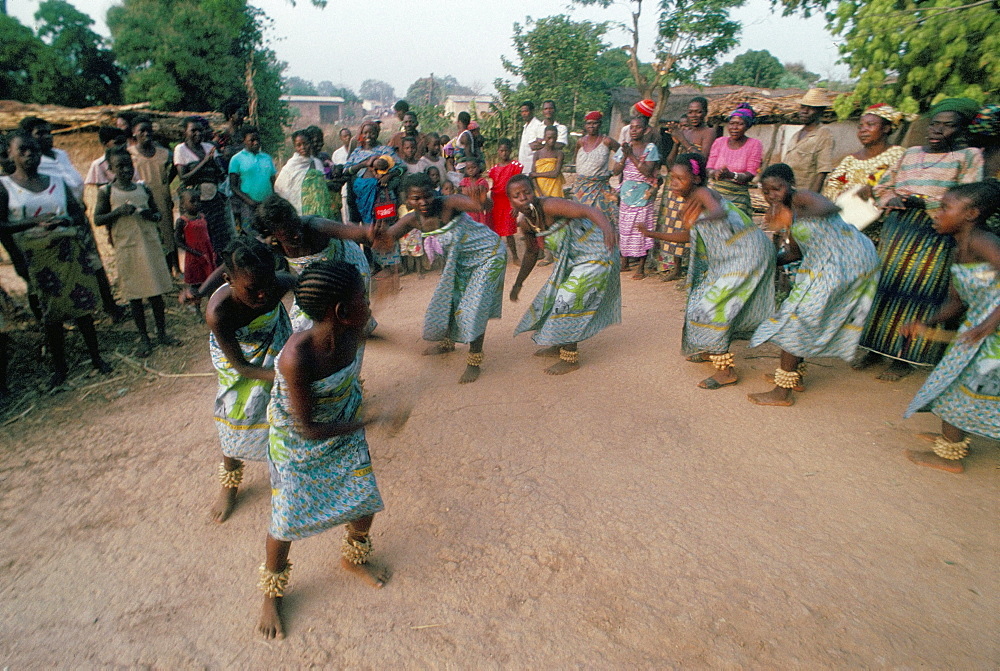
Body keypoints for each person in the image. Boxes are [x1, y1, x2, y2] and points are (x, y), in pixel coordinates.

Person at [256, 259, 392, 640]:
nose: (368, 305)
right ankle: (271, 594)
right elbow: (310, 428)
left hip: (343, 421)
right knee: (286, 518)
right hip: (300, 442)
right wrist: (372, 421)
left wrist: (397, 340)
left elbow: (370, 335)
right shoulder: (297, 358)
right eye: (362, 298)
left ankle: (354, 557)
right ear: (340, 311)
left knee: (363, 501)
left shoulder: (353, 329)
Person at [854, 98, 985, 381]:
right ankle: (874, 349)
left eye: (948, 127)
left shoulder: (969, 156)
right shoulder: (910, 153)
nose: (937, 131)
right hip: (899, 228)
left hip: (936, 233)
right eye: (935, 124)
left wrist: (923, 202)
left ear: (961, 130)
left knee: (920, 292)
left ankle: (902, 357)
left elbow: (968, 197)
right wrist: (894, 198)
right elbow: (884, 185)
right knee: (886, 287)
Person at [746, 163, 880, 406]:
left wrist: (788, 211)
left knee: (796, 317)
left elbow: (831, 207)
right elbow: (794, 253)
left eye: (777, 189)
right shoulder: (787, 210)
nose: (771, 195)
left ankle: (781, 392)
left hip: (846, 261)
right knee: (803, 314)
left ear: (789, 185)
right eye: (766, 192)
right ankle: (792, 376)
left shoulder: (802, 198)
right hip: (824, 263)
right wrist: (766, 264)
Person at [640, 154, 775, 390]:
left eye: (680, 179)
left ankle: (726, 371)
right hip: (733, 257)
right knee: (702, 302)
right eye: (672, 178)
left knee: (713, 305)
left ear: (696, 179)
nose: (673, 183)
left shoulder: (702, 193)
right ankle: (712, 347)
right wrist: (652, 235)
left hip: (746, 254)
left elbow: (718, 213)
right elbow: (688, 237)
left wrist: (697, 221)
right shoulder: (691, 200)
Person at [901, 181, 1000, 473]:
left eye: (945, 207)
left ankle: (949, 454)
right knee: (955, 381)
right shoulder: (958, 250)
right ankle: (952, 436)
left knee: (960, 386)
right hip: (981, 329)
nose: (936, 213)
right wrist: (924, 323)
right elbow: (955, 303)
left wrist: (987, 325)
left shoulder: (984, 241)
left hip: (992, 332)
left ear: (971, 214)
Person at [0, 131, 111, 387]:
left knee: (82, 307)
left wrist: (66, 223)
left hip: (67, 251)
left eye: (34, 151)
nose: (30, 155)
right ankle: (59, 369)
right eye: (23, 151)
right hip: (37, 258)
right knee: (52, 314)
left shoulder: (56, 182)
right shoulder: (5, 186)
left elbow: (77, 214)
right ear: (10, 154)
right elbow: (2, 226)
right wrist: (33, 223)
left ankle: (96, 358)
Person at [375, 173, 507, 383]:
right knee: (451, 299)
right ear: (406, 200)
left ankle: (474, 360)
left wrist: (482, 200)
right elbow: (386, 240)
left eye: (427, 196)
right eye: (415, 199)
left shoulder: (449, 203)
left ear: (435, 192)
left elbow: (480, 206)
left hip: (488, 255)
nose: (423, 202)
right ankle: (447, 342)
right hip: (462, 261)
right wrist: (375, 236)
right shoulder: (412, 219)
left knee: (475, 306)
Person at [206, 237, 294, 524]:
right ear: (229, 280)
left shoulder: (281, 283)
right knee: (236, 414)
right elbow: (243, 368)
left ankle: (293, 467)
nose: (263, 296)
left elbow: (314, 292)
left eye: (268, 286)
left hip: (275, 340)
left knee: (288, 408)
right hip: (240, 362)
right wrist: (288, 376)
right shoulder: (219, 313)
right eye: (252, 290)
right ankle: (229, 483)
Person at [508, 174, 621, 375]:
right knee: (552, 298)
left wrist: (606, 228)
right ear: (511, 201)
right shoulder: (526, 224)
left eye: (527, 192)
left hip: (597, 252)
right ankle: (559, 340)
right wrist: (518, 283)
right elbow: (532, 253)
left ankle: (570, 356)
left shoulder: (550, 205)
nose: (524, 197)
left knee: (568, 298)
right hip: (573, 260)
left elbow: (586, 210)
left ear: (534, 192)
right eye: (517, 195)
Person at [21, 116, 123, 320]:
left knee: (94, 263)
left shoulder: (60, 155)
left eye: (48, 132)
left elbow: (74, 184)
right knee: (66, 269)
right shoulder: (34, 165)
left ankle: (110, 307)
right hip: (55, 224)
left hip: (78, 218)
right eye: (39, 133)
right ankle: (70, 314)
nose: (46, 137)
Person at [94, 149, 177, 357]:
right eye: (119, 166)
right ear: (110, 169)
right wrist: (117, 212)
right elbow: (98, 219)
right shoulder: (107, 192)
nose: (125, 170)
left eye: (128, 165)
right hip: (127, 248)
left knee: (156, 293)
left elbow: (158, 214)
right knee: (135, 296)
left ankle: (162, 334)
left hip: (149, 245)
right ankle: (144, 338)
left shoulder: (143, 189)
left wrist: (150, 214)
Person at [654, 97, 717, 281]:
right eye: (691, 112)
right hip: (678, 185)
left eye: (698, 111)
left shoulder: (709, 132)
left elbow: (702, 158)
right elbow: (671, 162)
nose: (694, 115)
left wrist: (683, 141)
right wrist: (675, 142)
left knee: (693, 225)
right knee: (675, 223)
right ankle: (675, 268)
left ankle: (694, 270)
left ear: (705, 113)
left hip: (694, 186)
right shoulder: (684, 132)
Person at [344, 121, 405, 280]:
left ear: (377, 133)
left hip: (382, 197)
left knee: (386, 226)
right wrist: (364, 163)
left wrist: (389, 175)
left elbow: (401, 167)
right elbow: (346, 170)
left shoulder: (385, 150)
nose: (369, 135)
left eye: (372, 132)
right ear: (361, 134)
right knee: (370, 229)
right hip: (362, 197)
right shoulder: (356, 153)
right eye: (365, 132)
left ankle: (393, 266)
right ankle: (377, 265)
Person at [174, 117, 234, 259]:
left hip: (213, 199)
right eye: (193, 130)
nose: (198, 134)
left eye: (200, 130)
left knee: (219, 238)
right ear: (185, 132)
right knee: (199, 237)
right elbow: (183, 177)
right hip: (194, 202)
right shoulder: (181, 149)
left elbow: (220, 173)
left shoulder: (208, 147)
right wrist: (205, 162)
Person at [612, 116, 660, 280]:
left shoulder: (650, 148)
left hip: (643, 195)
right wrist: (625, 155)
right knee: (624, 229)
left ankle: (641, 266)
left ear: (645, 130)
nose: (634, 130)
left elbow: (647, 172)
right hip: (626, 194)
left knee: (642, 229)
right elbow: (616, 171)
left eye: (638, 127)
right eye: (631, 127)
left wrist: (631, 155)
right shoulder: (625, 148)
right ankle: (624, 261)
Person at [129, 116, 178, 274]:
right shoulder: (130, 154)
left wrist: (166, 183)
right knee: (147, 234)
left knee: (167, 233)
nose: (146, 133)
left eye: (149, 130)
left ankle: (171, 270)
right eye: (141, 130)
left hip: (161, 197)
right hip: (141, 199)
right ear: (134, 133)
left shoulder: (163, 153)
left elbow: (176, 166)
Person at [706, 103, 763, 220]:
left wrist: (731, 175)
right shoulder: (719, 142)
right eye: (731, 123)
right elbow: (709, 168)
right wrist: (714, 173)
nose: (734, 128)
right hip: (717, 195)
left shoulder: (754, 144)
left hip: (739, 198)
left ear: (747, 126)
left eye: (740, 124)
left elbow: (750, 175)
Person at [776, 88, 835, 193]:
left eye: (811, 108)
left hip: (805, 194)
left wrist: (811, 199)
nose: (805, 111)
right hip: (788, 192)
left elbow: (822, 171)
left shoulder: (824, 135)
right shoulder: (797, 135)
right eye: (803, 107)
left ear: (821, 111)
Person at [572, 111, 619, 228]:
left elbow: (623, 153)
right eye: (589, 123)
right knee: (579, 218)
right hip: (581, 187)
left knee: (601, 218)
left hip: (599, 187)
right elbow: (576, 159)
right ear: (585, 125)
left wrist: (614, 171)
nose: (591, 126)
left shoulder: (607, 141)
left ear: (600, 124)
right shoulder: (581, 142)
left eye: (595, 123)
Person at [174, 188, 216, 315]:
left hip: (207, 254)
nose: (197, 204)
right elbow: (177, 240)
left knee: (210, 281)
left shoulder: (203, 217)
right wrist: (192, 251)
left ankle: (212, 307)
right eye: (192, 201)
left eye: (198, 201)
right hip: (193, 256)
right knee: (195, 284)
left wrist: (212, 250)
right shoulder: (182, 221)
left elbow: (209, 233)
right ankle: (197, 309)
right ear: (183, 204)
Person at [274, 129, 332, 219]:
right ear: (295, 147)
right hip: (300, 212)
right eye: (298, 145)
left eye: (305, 143)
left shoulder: (317, 163)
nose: (303, 147)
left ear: (310, 143)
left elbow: (322, 185)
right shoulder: (291, 166)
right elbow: (279, 188)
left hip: (320, 209)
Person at [228, 125, 276, 231]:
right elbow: (233, 186)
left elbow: (273, 180)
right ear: (244, 140)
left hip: (266, 204)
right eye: (252, 140)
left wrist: (272, 198)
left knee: (269, 233)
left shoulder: (267, 158)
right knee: (251, 234)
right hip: (248, 206)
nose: (256, 143)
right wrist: (250, 201)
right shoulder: (236, 159)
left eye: (258, 139)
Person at [488, 138, 523, 264]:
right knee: (496, 232)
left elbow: (518, 186)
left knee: (508, 231)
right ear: (498, 151)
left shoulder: (515, 166)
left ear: (510, 151)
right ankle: (497, 258)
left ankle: (514, 256)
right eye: (501, 151)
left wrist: (516, 205)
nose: (504, 153)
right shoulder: (493, 169)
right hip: (496, 203)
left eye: (506, 150)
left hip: (509, 202)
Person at [530, 126, 565, 198]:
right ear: (544, 137)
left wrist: (536, 174)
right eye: (549, 138)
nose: (551, 140)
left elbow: (555, 173)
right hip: (540, 189)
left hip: (555, 188)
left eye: (554, 138)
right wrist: (540, 193)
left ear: (557, 137)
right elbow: (532, 176)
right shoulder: (537, 154)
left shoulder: (559, 154)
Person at [517, 101, 547, 175]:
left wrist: (536, 145)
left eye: (526, 111)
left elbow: (542, 145)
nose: (524, 113)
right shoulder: (525, 126)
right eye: (522, 112)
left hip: (533, 167)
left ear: (532, 111)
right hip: (523, 166)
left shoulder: (538, 126)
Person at [459, 158, 491, 227]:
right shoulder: (464, 181)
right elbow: (462, 194)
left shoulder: (482, 182)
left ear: (479, 168)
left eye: (473, 167)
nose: (471, 170)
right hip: (467, 211)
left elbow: (483, 199)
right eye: (468, 168)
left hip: (478, 212)